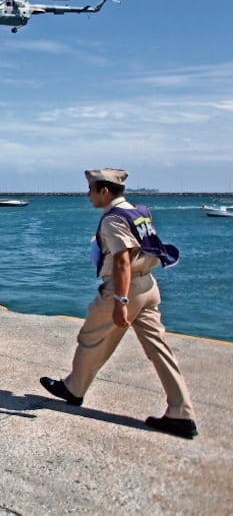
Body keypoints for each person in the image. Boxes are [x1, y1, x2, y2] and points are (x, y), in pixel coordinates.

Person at [40, 168, 198, 439]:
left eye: (91, 189)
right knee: (159, 349)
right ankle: (181, 412)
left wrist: (120, 301)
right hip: (148, 285)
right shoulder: (139, 211)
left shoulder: (112, 220)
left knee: (90, 337)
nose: (88, 194)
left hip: (126, 287)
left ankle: (74, 388)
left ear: (104, 191)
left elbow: (122, 260)